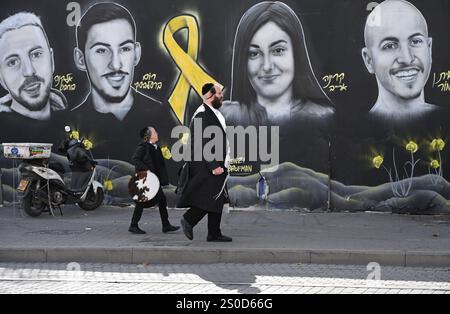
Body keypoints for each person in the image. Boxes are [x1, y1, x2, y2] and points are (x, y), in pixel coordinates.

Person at [70, 2, 180, 167]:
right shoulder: (73, 122)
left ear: (136, 54)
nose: (116, 65)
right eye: (101, 50)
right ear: (80, 59)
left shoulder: (162, 116)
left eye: (124, 49)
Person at [221, 1, 334, 127]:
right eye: (254, 54)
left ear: (296, 54)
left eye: (278, 50)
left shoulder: (324, 118)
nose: (267, 66)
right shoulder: (223, 118)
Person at [361, 0, 439, 123]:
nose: (407, 59)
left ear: (429, 49)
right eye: (390, 45)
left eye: (415, 41)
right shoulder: (355, 135)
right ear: (369, 60)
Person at [178, 83, 232, 242]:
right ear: (210, 94)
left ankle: (214, 233)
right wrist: (214, 165)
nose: (222, 96)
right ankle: (189, 219)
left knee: (217, 197)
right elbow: (200, 143)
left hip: (216, 164)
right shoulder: (202, 115)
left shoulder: (212, 113)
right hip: (207, 165)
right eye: (219, 93)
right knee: (210, 198)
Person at [0, 12, 67, 120]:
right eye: (12, 62)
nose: (29, 71)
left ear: (51, 60)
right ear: (1, 78)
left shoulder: (74, 120)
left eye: (36, 54)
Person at [129, 126, 180, 234]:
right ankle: (133, 225)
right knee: (141, 202)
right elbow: (135, 159)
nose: (157, 133)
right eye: (154, 132)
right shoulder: (143, 147)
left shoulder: (154, 147)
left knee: (161, 199)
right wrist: (146, 170)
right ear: (149, 136)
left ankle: (165, 225)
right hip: (146, 179)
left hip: (153, 179)